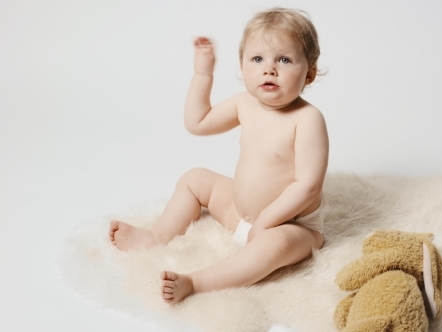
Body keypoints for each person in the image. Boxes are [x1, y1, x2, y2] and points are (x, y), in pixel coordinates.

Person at [108, 7, 329, 304]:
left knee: (274, 246)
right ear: (243, 66)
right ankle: (156, 237)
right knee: (194, 178)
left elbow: (308, 186)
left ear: (309, 73)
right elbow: (197, 122)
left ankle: (196, 282)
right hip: (241, 212)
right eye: (257, 59)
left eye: (284, 60)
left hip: (292, 224)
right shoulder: (245, 103)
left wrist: (266, 222)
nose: (269, 69)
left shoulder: (308, 119)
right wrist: (203, 74)